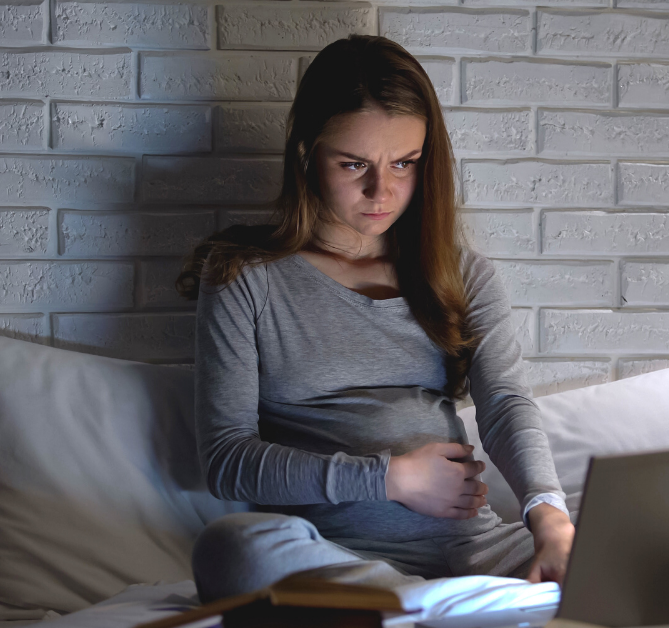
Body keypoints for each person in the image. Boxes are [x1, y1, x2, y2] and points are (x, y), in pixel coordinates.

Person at [175, 34, 574, 603]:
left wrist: (550, 520)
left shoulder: (461, 275)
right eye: (354, 163)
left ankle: (416, 606)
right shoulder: (245, 276)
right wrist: (392, 477)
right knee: (231, 548)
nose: (381, 191)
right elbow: (228, 459)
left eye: (405, 163)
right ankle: (422, 602)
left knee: (623, 549)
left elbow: (507, 403)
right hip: (332, 554)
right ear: (306, 153)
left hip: (471, 549)